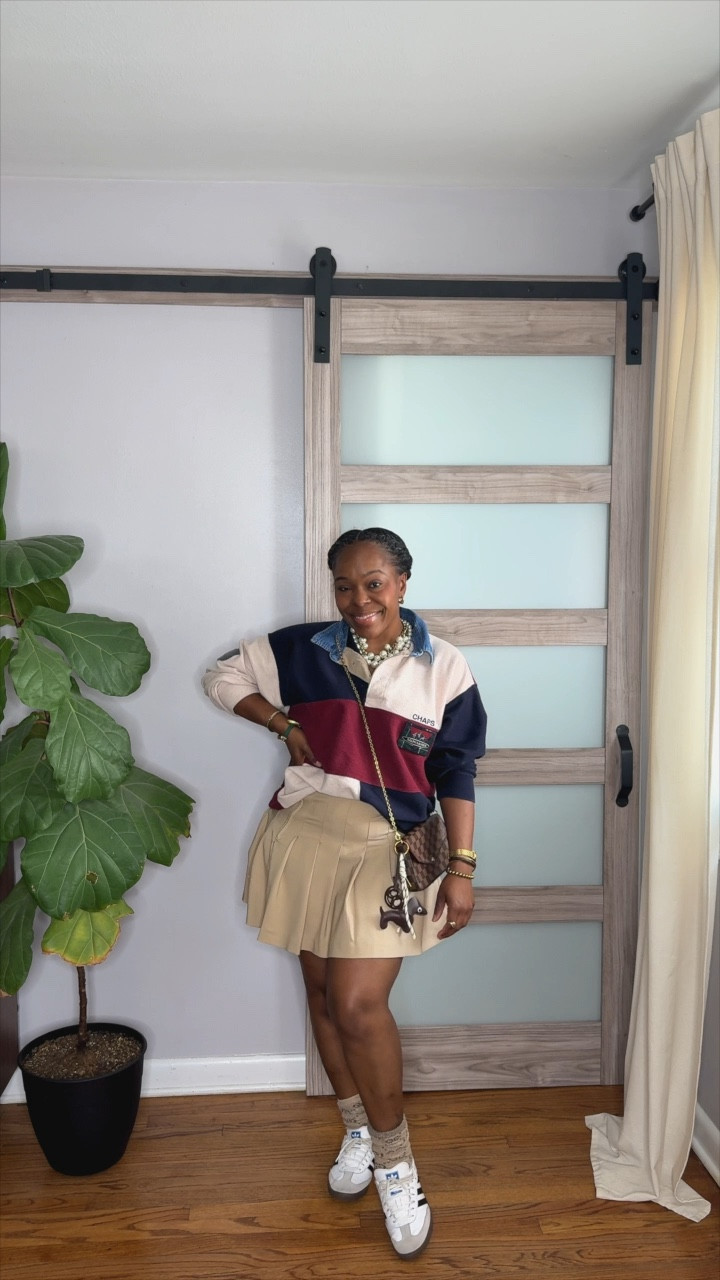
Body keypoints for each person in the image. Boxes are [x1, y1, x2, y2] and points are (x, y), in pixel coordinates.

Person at [202, 527, 486, 1260]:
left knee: (360, 1005)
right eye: (344, 585)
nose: (358, 600)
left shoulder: (443, 667)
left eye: (374, 584)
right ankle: (357, 1128)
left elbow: (455, 770)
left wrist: (462, 866)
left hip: (403, 843)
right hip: (310, 833)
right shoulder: (302, 650)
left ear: (402, 583)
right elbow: (222, 677)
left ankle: (398, 1168)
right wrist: (282, 721)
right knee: (325, 996)